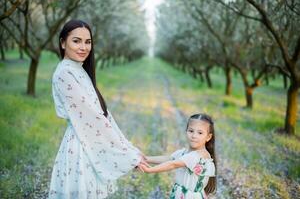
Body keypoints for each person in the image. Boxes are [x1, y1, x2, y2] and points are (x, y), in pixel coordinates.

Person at [48, 19, 145, 199]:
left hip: (90, 143)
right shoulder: (64, 73)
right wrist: (128, 155)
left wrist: (129, 149)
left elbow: (104, 115)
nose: (83, 47)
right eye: (76, 41)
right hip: (81, 146)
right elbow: (93, 119)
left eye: (88, 42)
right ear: (63, 43)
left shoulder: (79, 70)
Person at [141, 113, 216, 199]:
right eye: (191, 131)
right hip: (180, 194)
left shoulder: (198, 156)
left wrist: (149, 170)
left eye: (200, 133)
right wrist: (145, 159)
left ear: (208, 137)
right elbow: (169, 159)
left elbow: (172, 164)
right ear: (186, 131)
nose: (194, 136)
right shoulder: (185, 152)